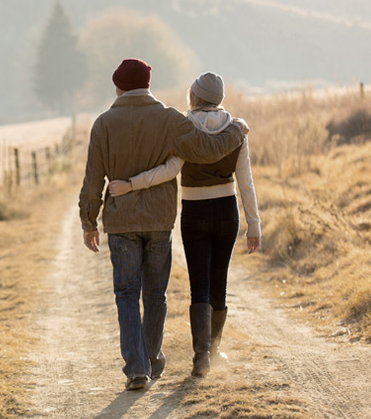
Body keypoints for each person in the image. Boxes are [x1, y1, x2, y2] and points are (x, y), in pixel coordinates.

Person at [79, 59, 246, 391]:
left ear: (118, 86)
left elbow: (93, 179)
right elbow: (208, 149)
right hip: (159, 220)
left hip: (121, 221)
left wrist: (89, 221)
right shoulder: (169, 119)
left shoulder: (104, 124)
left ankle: (137, 368)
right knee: (155, 294)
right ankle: (152, 357)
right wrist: (236, 130)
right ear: (149, 85)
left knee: (126, 294)